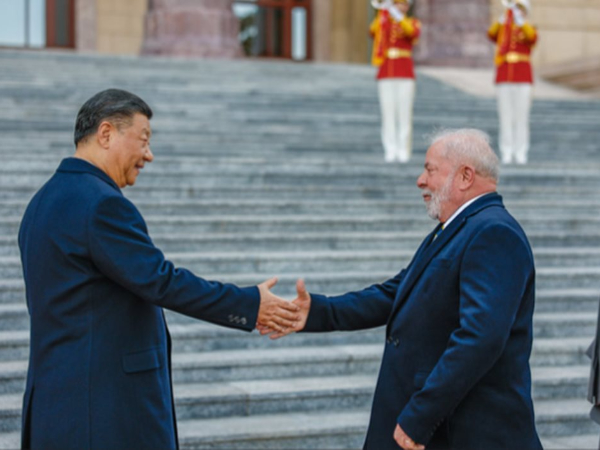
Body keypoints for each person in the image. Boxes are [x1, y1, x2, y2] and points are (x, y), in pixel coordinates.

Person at [18, 88, 299, 449]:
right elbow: (162, 281)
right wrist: (250, 304)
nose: (149, 155)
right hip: (102, 414)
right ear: (106, 134)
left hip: (56, 409)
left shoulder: (41, 202)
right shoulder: (101, 205)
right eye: (144, 140)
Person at [262, 129, 542, 449]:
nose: (421, 180)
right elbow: (395, 293)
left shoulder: (493, 232)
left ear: (465, 176)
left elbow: (480, 338)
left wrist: (422, 414)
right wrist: (316, 312)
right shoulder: (459, 228)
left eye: (430, 170)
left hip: (462, 432)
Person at [370, 0, 421, 163]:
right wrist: (383, 12)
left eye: (402, 4)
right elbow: (373, 31)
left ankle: (403, 149)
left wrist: (398, 16)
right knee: (388, 113)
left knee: (404, 113)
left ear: (407, 7)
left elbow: (413, 33)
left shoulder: (412, 22)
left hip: (405, 71)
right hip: (386, 71)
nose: (399, 6)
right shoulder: (385, 21)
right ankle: (390, 148)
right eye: (396, 3)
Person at [488, 0, 537, 164]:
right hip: (504, 75)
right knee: (505, 116)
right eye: (515, 8)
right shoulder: (504, 28)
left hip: (523, 76)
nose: (516, 11)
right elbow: (491, 35)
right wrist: (502, 19)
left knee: (521, 116)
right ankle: (506, 150)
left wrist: (521, 21)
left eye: (520, 8)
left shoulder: (528, 27)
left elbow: (533, 38)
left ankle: (521, 151)